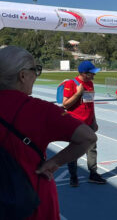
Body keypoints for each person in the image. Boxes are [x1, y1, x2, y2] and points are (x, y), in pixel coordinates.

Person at [0, 46, 96, 220]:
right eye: (34, 71)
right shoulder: (38, 109)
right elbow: (87, 137)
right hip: (31, 201)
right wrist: (55, 162)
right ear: (22, 76)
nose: (35, 76)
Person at [63, 60, 106, 187]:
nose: (94, 75)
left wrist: (94, 121)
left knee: (92, 148)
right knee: (74, 150)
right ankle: (73, 176)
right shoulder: (71, 83)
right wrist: (78, 93)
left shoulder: (90, 84)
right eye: (92, 73)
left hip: (88, 123)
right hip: (75, 124)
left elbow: (90, 104)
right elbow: (65, 104)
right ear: (84, 73)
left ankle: (93, 173)